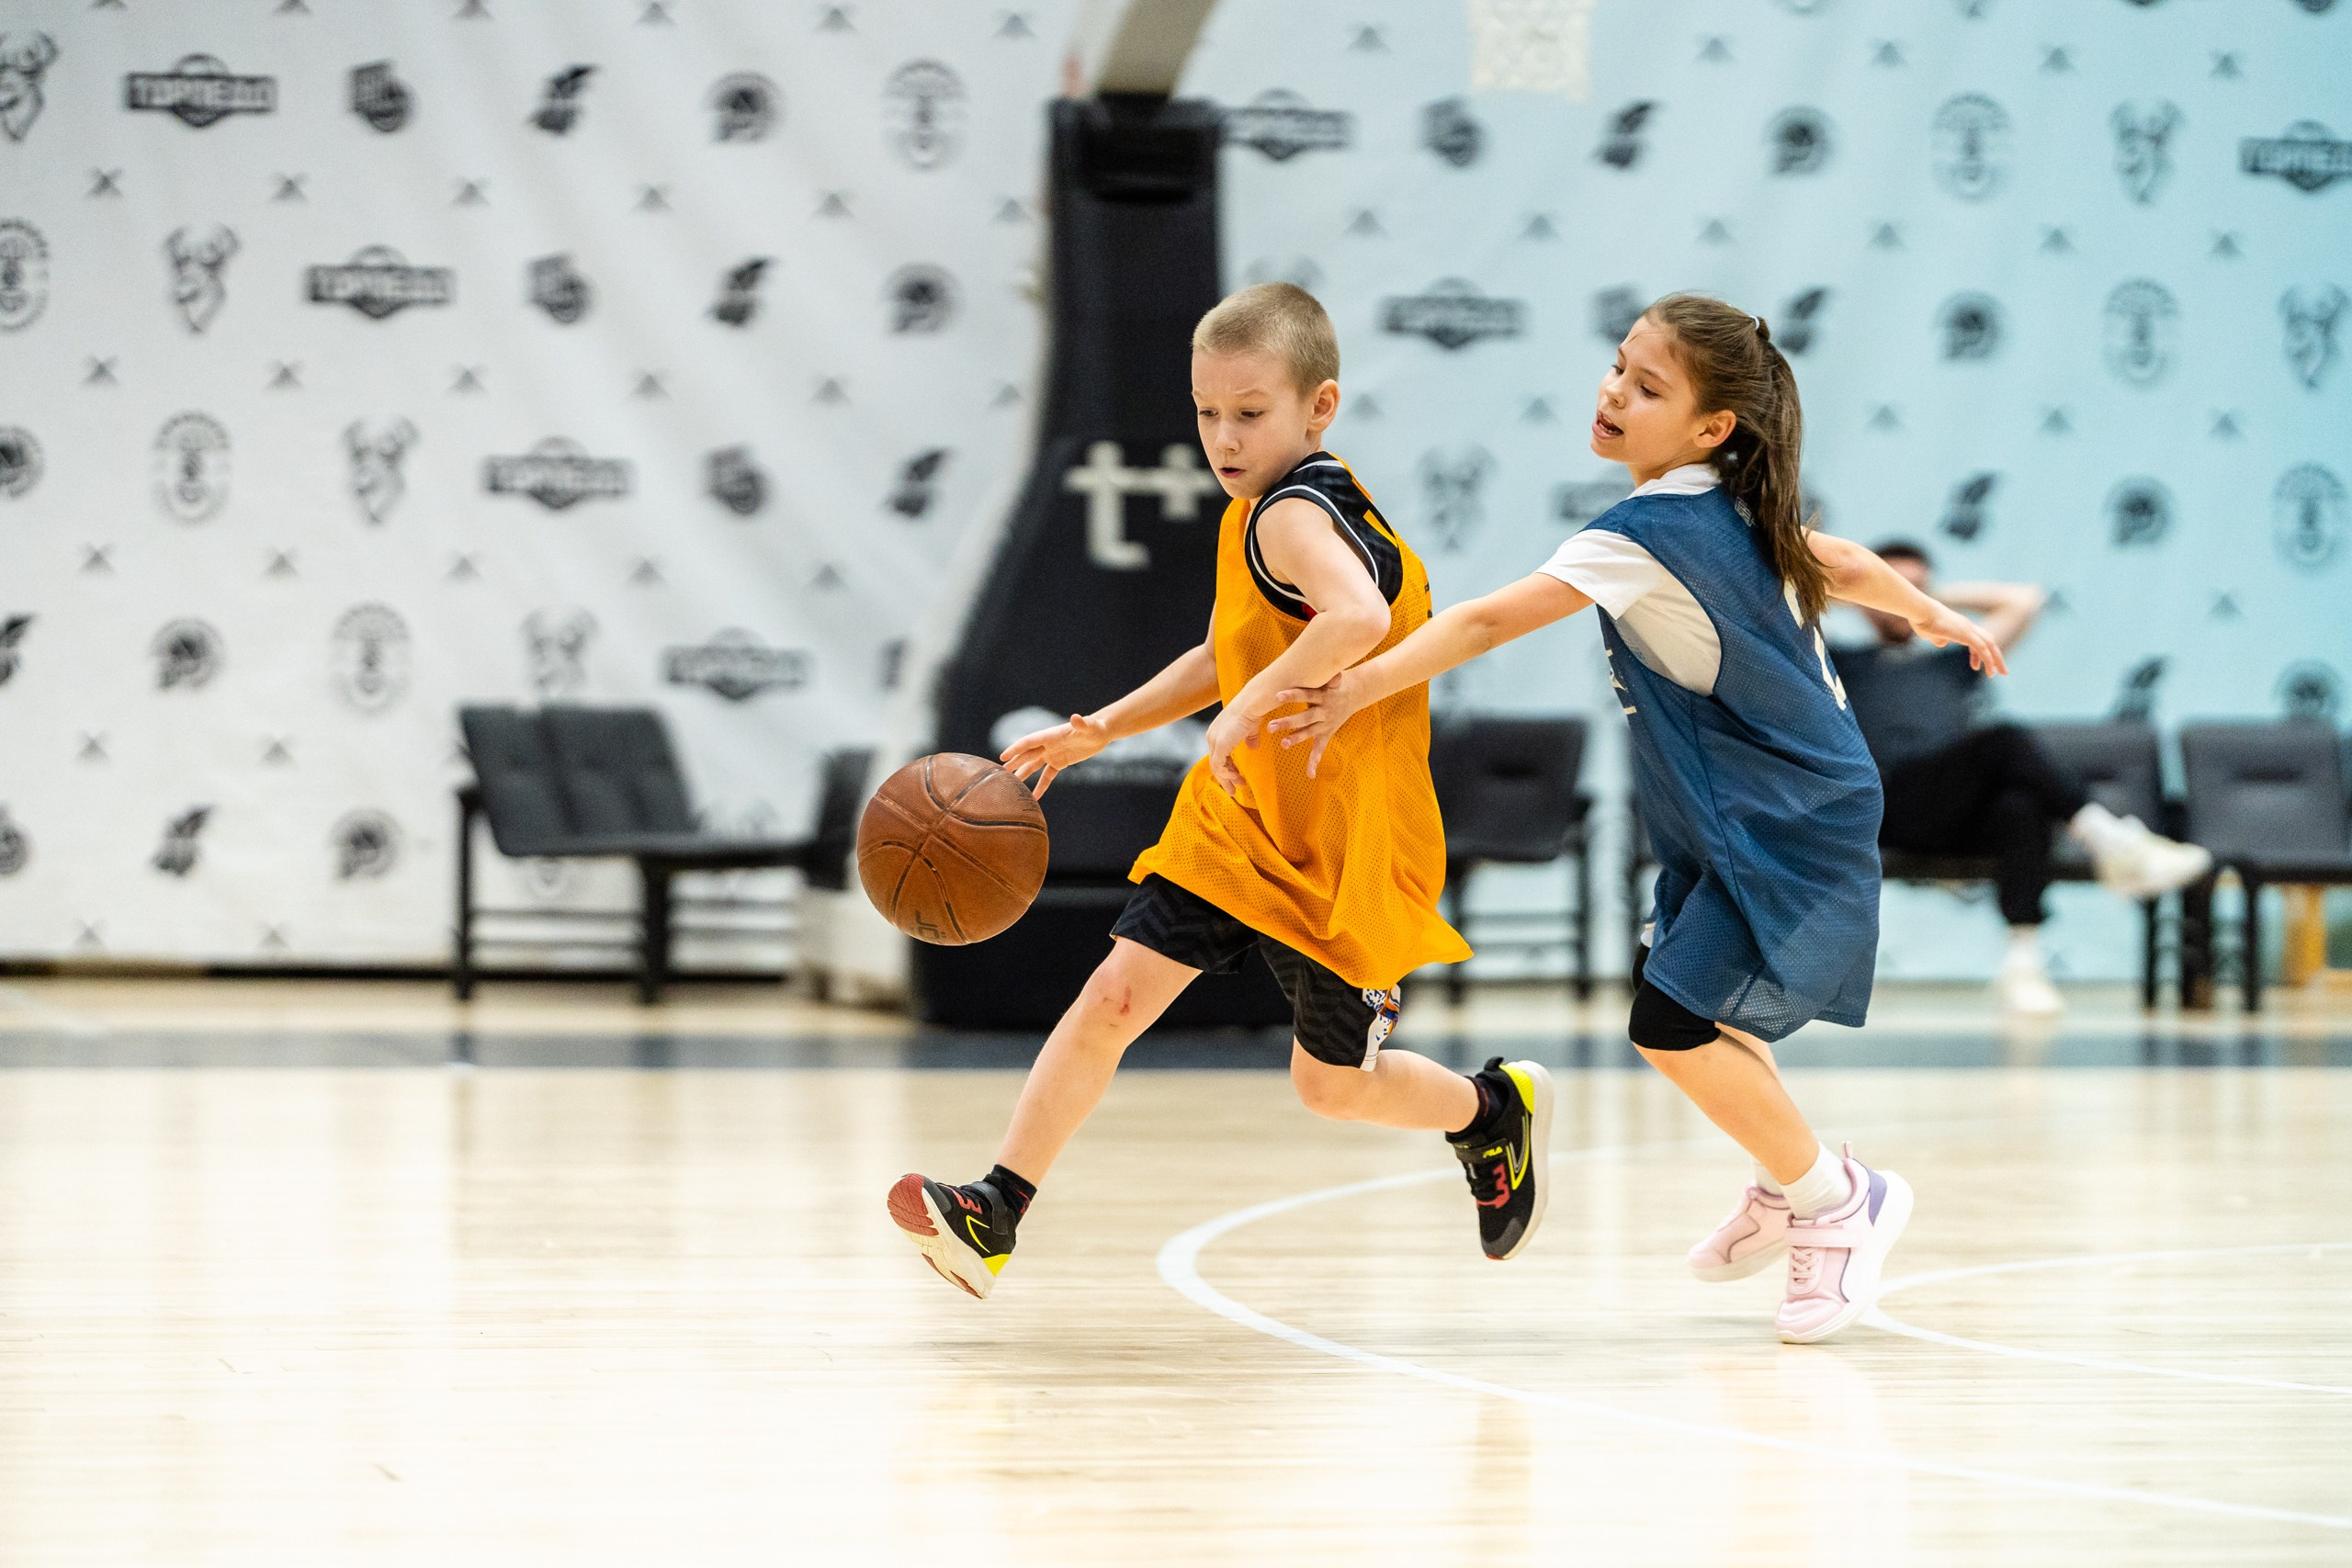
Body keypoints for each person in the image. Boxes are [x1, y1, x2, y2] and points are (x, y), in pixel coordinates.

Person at [1238, 295, 2003, 1343]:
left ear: (1711, 426)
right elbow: (1846, 564)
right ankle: (1786, 1179)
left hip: (1782, 810)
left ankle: (1834, 1201)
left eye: (1647, 387)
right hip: (1764, 801)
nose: (1613, 393)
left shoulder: (1642, 533)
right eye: (1617, 367)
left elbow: (1486, 620)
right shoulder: (1731, 505)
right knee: (1708, 1013)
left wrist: (1357, 686)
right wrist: (1934, 614)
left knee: (1670, 1025)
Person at [887, 283, 1553, 1299]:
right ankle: (996, 1208)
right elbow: (1223, 652)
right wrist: (1105, 727)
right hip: (1238, 824)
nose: (1224, 437)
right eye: (1206, 412)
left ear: (1318, 407)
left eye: (1250, 412)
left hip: (1338, 845)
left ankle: (1487, 1109)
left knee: (1333, 1086)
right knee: (1112, 997)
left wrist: (1245, 713)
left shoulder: (1293, 513)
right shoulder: (1260, 511)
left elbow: (1359, 619)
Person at [1835, 542, 2211, 1015]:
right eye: (1893, 585)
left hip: (1953, 812)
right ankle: (2113, 842)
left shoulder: (1952, 661)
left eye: (1916, 585)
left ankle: (2023, 963)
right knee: (2005, 738)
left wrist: (1922, 599)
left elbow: (2023, 601)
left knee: (2019, 806)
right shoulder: (1838, 660)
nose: (1902, 597)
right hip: (1883, 809)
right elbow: (1779, 609)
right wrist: (1873, 589)